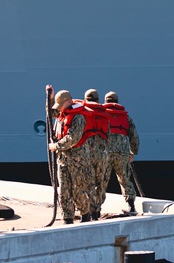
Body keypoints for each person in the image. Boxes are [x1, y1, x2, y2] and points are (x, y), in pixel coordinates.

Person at [47, 86, 95, 223]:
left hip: (77, 159)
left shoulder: (78, 117)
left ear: (68, 102)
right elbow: (49, 113)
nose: (59, 108)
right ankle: (67, 217)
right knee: (63, 190)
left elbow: (72, 138)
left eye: (60, 105)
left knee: (78, 189)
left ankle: (85, 215)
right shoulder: (63, 114)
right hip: (63, 159)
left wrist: (55, 146)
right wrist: (50, 99)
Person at [103, 90, 141, 213]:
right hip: (122, 153)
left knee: (102, 179)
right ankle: (131, 206)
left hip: (106, 152)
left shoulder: (102, 115)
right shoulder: (126, 117)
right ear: (117, 102)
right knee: (125, 179)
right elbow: (134, 136)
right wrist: (133, 152)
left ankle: (96, 209)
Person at [77, 89, 110, 220]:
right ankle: (97, 210)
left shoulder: (82, 113)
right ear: (97, 100)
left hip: (87, 153)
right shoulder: (104, 115)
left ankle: (89, 210)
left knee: (88, 183)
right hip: (102, 154)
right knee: (100, 183)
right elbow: (109, 135)